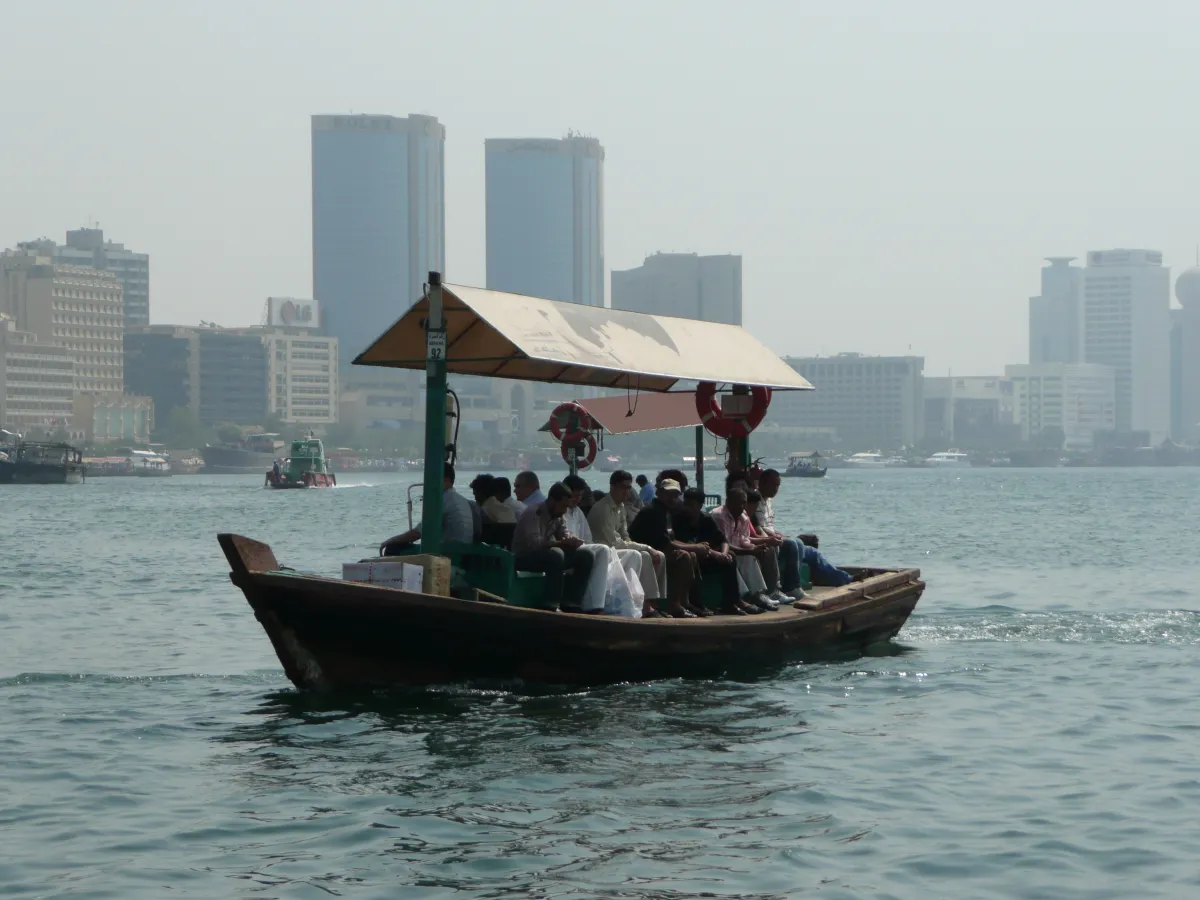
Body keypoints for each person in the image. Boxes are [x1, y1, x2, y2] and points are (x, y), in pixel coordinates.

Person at [757, 468, 852, 591]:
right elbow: (761, 527)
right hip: (768, 540)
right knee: (794, 543)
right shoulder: (755, 500)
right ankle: (793, 587)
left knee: (813, 553)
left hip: (774, 536)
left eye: (778, 485)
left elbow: (770, 525)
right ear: (763, 483)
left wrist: (780, 534)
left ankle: (847, 579)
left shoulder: (768, 500)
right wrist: (779, 536)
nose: (776, 489)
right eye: (773, 485)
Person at [629, 479, 710, 618]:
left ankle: (685, 602)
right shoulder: (653, 512)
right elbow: (666, 544)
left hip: (659, 549)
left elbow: (670, 540)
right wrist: (695, 547)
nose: (672, 498)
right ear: (659, 493)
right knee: (683, 557)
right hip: (645, 553)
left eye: (675, 495)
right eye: (668, 494)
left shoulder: (666, 512)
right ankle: (674, 605)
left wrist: (694, 548)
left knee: (691, 555)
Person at [588, 469, 666, 610]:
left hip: (618, 550)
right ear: (612, 487)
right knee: (642, 555)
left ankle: (655, 601)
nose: (626, 492)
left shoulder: (621, 507)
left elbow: (625, 536)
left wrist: (644, 548)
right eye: (622, 487)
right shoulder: (603, 509)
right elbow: (615, 543)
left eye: (629, 488)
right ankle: (645, 604)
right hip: (605, 554)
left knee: (659, 555)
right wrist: (646, 547)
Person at [673, 488, 760, 615]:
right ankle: (697, 605)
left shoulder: (705, 519)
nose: (687, 508)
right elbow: (687, 544)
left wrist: (724, 554)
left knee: (730, 557)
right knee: (692, 557)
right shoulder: (679, 520)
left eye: (691, 505)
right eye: (685, 504)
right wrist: (716, 554)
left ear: (700, 505)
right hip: (690, 556)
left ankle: (731, 603)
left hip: (706, 557)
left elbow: (723, 540)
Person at [511, 482, 596, 612]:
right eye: (562, 506)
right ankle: (551, 603)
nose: (564, 510)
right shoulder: (534, 512)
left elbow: (563, 533)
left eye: (567, 507)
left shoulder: (558, 515)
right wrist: (559, 544)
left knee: (586, 556)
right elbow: (534, 543)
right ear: (552, 501)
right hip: (524, 557)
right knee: (556, 555)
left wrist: (570, 540)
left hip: (546, 556)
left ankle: (572, 602)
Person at [381, 463, 475, 550]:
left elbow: (417, 533)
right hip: (462, 552)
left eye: (432, 479)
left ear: (445, 480)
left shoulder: (441, 501)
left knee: (392, 548)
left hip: (448, 553)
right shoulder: (463, 500)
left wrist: (389, 541)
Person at [711, 487, 777, 610]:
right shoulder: (719, 516)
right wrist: (750, 550)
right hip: (717, 552)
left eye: (744, 502)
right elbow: (723, 543)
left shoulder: (743, 516)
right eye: (739, 502)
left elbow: (744, 540)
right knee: (732, 556)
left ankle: (757, 594)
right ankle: (740, 598)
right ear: (728, 502)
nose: (742, 506)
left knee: (750, 557)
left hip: (736, 550)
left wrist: (756, 548)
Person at [562, 473, 619, 613]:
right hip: (569, 552)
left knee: (632, 555)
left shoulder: (578, 512)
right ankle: (595, 605)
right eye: (574, 496)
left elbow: (588, 538)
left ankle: (623, 603)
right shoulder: (561, 511)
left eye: (580, 496)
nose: (577, 500)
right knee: (603, 550)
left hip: (582, 548)